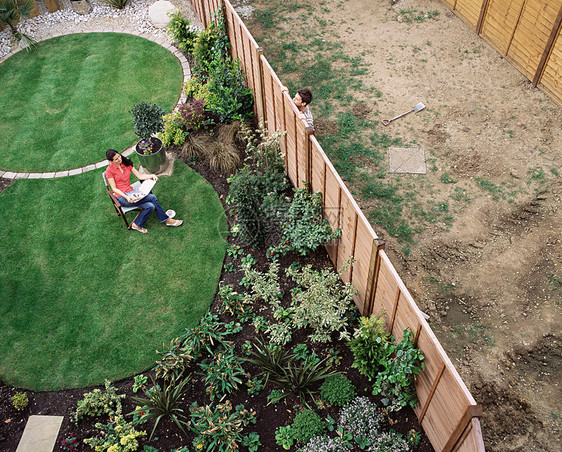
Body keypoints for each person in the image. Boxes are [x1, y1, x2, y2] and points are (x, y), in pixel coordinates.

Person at [105, 149, 182, 233]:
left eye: (119, 156)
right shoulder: (109, 171)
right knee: (152, 197)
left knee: (150, 206)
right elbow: (114, 189)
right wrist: (126, 197)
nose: (119, 159)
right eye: (116, 159)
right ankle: (167, 220)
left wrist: (152, 175)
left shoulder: (125, 163)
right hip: (122, 197)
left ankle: (137, 224)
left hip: (131, 192)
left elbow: (140, 176)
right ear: (111, 161)